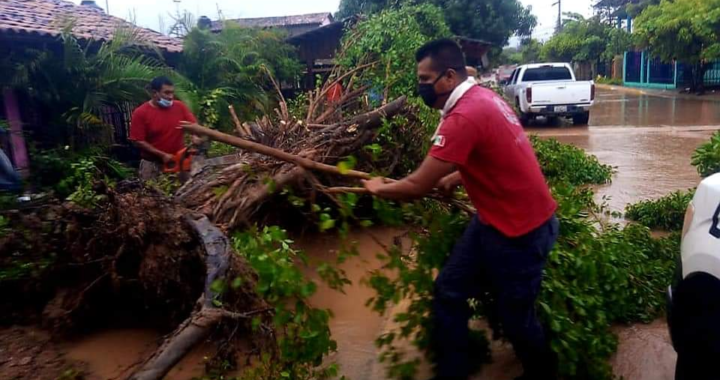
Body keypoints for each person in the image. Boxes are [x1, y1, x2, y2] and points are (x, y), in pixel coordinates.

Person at [363, 39, 559, 380]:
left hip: (522, 232)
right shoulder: (483, 98)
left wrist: (380, 189)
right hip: (494, 220)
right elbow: (494, 155)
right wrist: (458, 174)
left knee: (516, 319)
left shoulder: (464, 115)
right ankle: (455, 369)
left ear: (449, 76)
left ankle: (543, 373)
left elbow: (417, 186)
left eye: (426, 80)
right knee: (449, 290)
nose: (421, 86)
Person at [129, 76, 199, 181]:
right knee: (151, 194)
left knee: (187, 191)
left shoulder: (179, 107)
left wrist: (195, 136)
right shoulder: (141, 113)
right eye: (166, 93)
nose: (171, 97)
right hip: (152, 163)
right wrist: (162, 155)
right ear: (154, 93)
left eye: (172, 92)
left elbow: (193, 125)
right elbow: (138, 141)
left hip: (179, 160)